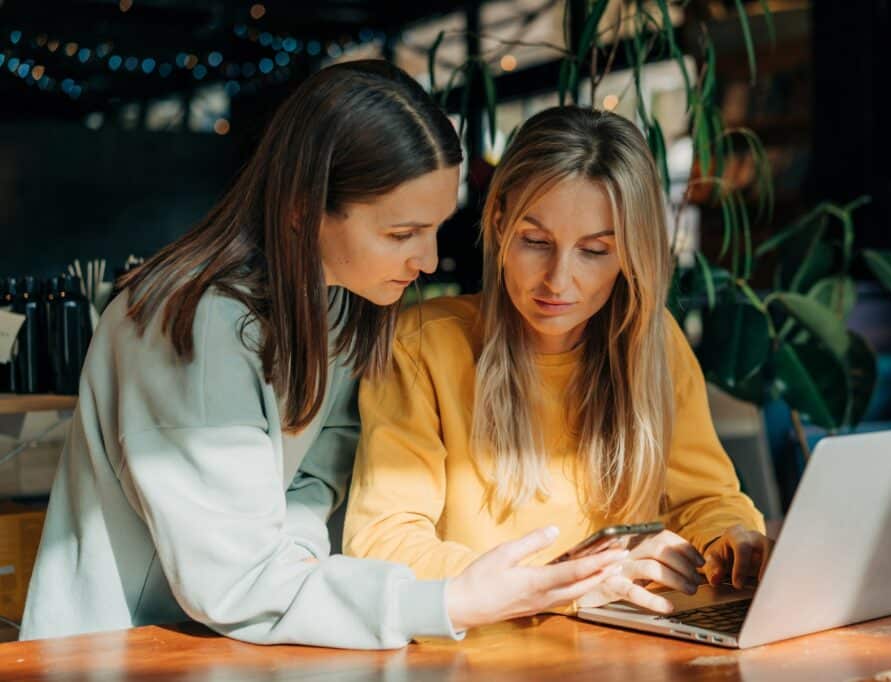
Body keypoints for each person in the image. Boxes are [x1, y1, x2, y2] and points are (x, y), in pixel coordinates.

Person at [20, 63, 624, 646]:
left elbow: (315, 476)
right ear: (303, 209)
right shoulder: (192, 325)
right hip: (118, 649)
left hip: (228, 644)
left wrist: (298, 559)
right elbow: (234, 584)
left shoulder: (339, 302)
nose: (430, 261)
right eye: (401, 234)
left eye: (436, 227)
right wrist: (449, 600)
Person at [344, 106, 771, 615]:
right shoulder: (420, 345)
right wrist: (568, 584)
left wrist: (729, 536)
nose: (558, 280)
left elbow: (702, 498)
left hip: (625, 646)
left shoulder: (654, 344)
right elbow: (383, 546)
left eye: (593, 251)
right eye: (536, 242)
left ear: (630, 254)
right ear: (499, 222)